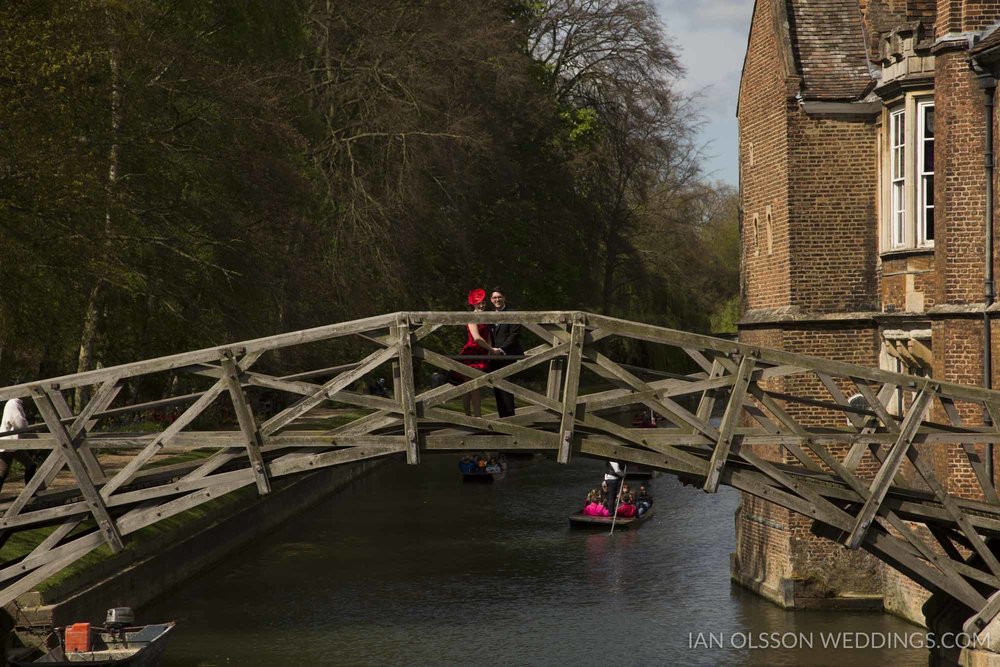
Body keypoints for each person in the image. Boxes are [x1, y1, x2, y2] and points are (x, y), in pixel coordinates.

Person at [453, 288, 502, 417]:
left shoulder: (485, 317)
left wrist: (491, 350)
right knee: (469, 385)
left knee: (474, 385)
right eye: (478, 303)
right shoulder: (471, 317)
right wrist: (491, 350)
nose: (481, 305)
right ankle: (472, 416)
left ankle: (475, 417)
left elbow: (488, 336)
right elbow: (477, 338)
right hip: (472, 353)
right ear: (473, 304)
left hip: (482, 352)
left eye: (483, 303)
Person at [488, 287, 523, 418]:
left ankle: (510, 419)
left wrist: (501, 349)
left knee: (506, 388)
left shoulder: (512, 313)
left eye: (499, 297)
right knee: (496, 388)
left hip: (507, 355)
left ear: (504, 298)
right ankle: (502, 418)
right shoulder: (489, 314)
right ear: (491, 300)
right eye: (494, 298)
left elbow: (514, 335)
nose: (497, 300)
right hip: (493, 357)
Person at [0, 399, 37, 493]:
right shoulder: (13, 404)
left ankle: (30, 493)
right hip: (9, 443)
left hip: (11, 443)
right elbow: (21, 425)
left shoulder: (15, 403)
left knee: (2, 472)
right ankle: (30, 493)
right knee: (30, 465)